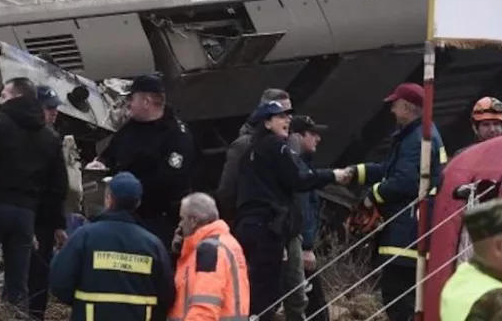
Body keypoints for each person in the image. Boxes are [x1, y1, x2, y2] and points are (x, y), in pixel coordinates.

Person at [235, 100, 345, 321]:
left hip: (251, 226)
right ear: (266, 122)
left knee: (260, 288)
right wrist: (333, 175)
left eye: (288, 116)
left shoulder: (249, 153)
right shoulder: (277, 146)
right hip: (270, 229)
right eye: (280, 116)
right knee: (269, 292)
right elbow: (299, 180)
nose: (287, 120)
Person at [0, 77, 68, 309]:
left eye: (4, 95)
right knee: (18, 286)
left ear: (18, 97)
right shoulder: (49, 136)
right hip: (25, 215)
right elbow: (58, 185)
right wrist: (53, 222)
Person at [349, 82, 447, 321]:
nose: (392, 111)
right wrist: (357, 172)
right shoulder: (417, 134)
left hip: (406, 233)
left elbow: (404, 181)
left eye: (395, 105)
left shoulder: (417, 140)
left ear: (407, 107)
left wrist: (371, 197)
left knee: (398, 299)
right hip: (410, 230)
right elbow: (390, 170)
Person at [50, 172, 176, 321]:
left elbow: (59, 282)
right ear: (138, 203)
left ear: (109, 198)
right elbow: (167, 295)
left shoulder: (84, 236)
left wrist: (80, 304)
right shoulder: (153, 245)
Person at [98, 73, 195, 250]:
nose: (128, 104)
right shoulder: (130, 128)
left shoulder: (176, 135)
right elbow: (111, 154)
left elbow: (170, 178)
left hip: (159, 217)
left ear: (147, 101)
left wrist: (130, 187)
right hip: (127, 214)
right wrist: (101, 164)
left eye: (131, 98)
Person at [217, 88, 292, 224]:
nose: (289, 118)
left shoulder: (287, 144)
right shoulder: (244, 146)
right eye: (282, 114)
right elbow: (227, 191)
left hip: (282, 226)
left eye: (289, 113)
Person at [170, 192, 249, 321]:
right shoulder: (228, 243)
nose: (180, 225)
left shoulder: (209, 250)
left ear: (193, 220)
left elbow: (205, 304)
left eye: (182, 218)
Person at [29, 84, 69, 320]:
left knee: (37, 274)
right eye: (49, 108)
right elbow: (57, 186)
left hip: (41, 218)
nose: (54, 112)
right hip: (31, 216)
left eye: (55, 108)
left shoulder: (52, 138)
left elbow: (58, 188)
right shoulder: (45, 140)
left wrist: (58, 223)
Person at [285, 115, 329, 321]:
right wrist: (307, 247)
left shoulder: (302, 166)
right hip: (299, 248)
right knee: (313, 305)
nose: (318, 139)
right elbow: (303, 211)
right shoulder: (298, 169)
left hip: (295, 246)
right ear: (297, 136)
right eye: (312, 134)